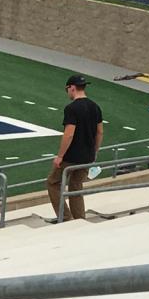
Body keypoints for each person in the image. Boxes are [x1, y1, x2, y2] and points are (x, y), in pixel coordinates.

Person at [47, 74, 103, 222]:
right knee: (76, 186)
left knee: (53, 183)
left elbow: (69, 134)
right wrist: (95, 151)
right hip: (87, 156)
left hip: (71, 156)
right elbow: (99, 132)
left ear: (71, 88)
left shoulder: (72, 108)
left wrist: (60, 156)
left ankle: (65, 217)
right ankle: (79, 219)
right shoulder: (95, 106)